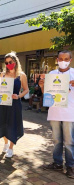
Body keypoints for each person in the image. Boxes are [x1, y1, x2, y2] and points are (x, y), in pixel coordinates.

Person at [40, 50, 74, 178]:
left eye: (66, 59)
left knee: (69, 141)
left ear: (70, 60)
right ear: (57, 59)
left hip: (70, 113)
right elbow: (46, 94)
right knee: (56, 140)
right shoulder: (52, 74)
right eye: (61, 59)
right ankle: (57, 163)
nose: (63, 61)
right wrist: (42, 86)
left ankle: (70, 166)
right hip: (54, 112)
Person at [0, 51, 29, 158]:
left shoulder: (21, 75)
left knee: (12, 124)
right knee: (3, 123)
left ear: (15, 62)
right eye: (7, 62)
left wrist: (19, 96)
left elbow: (26, 90)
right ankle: (5, 143)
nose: (9, 64)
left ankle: (11, 148)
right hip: (4, 104)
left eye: (11, 61)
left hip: (15, 104)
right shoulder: (2, 74)